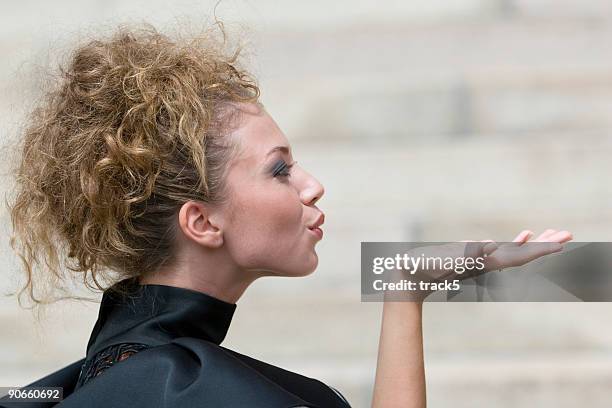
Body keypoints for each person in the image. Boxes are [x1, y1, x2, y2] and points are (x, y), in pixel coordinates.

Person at [1, 23, 572, 407]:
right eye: (280, 170)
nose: (313, 187)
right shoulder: (187, 386)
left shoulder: (124, 364)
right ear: (201, 222)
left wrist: (406, 286)